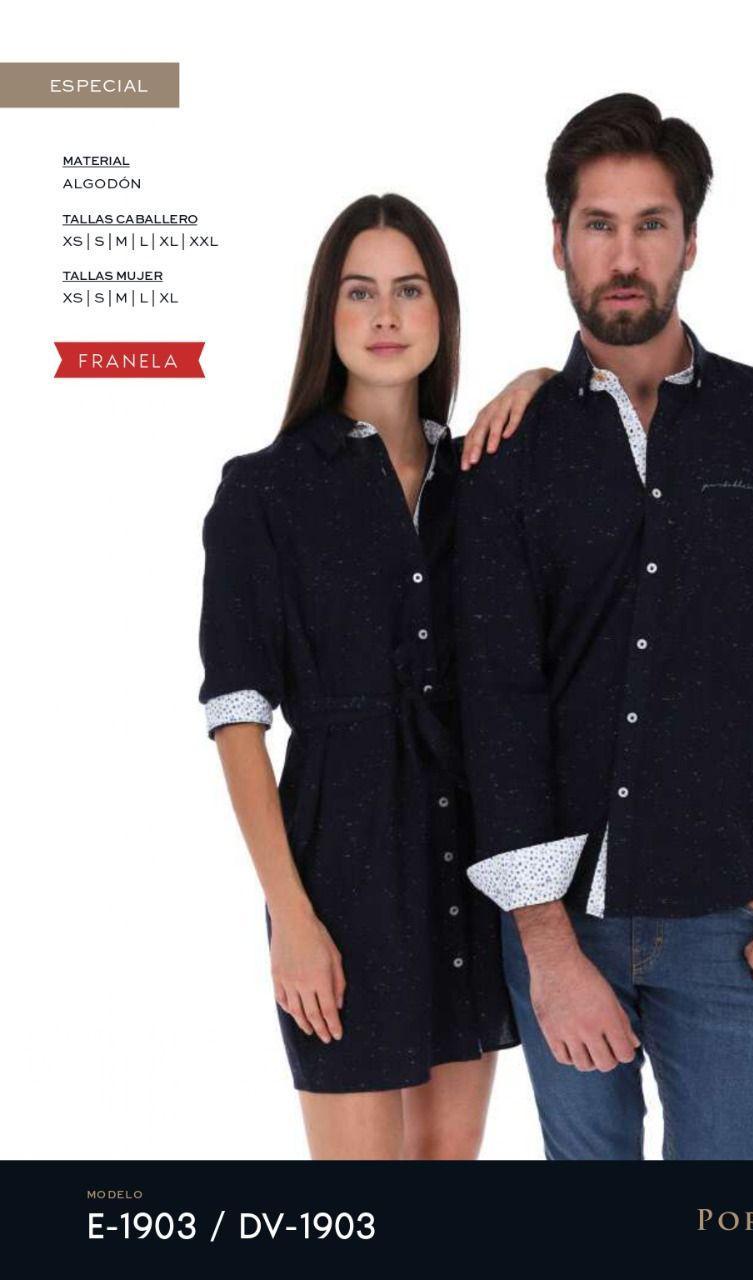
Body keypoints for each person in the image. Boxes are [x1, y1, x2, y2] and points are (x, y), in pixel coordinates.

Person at [454, 93, 753, 1160]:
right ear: (557, 242)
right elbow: (495, 698)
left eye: (650, 224)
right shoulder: (506, 453)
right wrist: (545, 942)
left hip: (733, 925)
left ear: (689, 239)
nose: (623, 256)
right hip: (562, 924)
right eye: (597, 224)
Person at [197, 193, 546, 1160]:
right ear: (328, 313)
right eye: (360, 292)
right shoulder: (264, 490)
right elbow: (237, 720)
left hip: (468, 864)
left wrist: (541, 380)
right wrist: (292, 920)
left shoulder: (484, 480)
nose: (386, 315)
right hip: (338, 873)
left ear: (442, 312)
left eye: (409, 290)